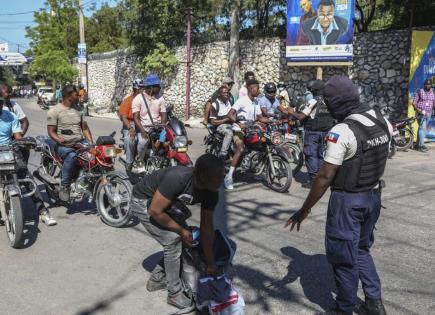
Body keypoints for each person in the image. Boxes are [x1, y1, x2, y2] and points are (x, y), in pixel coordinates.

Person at [285, 76, 391, 315]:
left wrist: (304, 209)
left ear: (337, 103)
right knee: (362, 250)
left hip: (347, 202)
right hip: (373, 197)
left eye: (329, 102)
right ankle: (374, 303)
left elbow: (324, 177)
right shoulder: (381, 119)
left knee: (343, 258)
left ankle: (344, 308)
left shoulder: (342, 131)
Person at [130, 154, 225, 309]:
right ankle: (174, 294)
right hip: (144, 201)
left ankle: (157, 279)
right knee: (172, 241)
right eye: (217, 177)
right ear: (202, 176)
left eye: (223, 175)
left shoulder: (212, 191)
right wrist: (180, 231)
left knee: (190, 240)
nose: (222, 180)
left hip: (167, 205)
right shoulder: (179, 178)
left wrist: (210, 263)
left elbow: (207, 228)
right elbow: (155, 211)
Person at [0, 95, 56, 226]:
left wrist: (26, 143)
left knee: (26, 177)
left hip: (8, 151)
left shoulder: (10, 116)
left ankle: (43, 211)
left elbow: (18, 137)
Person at [47, 85, 94, 202]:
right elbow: (51, 132)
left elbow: (85, 129)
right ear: (68, 96)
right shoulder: (55, 111)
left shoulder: (79, 109)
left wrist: (91, 143)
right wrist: (59, 140)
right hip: (63, 146)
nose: (79, 96)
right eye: (76, 95)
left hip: (79, 143)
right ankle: (65, 186)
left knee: (95, 155)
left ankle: (89, 181)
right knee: (72, 155)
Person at [288, 80, 335, 188]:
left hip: (313, 132)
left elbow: (301, 117)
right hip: (326, 132)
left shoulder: (313, 101)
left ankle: (314, 181)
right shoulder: (329, 101)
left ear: (314, 90)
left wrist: (291, 112)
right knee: (321, 155)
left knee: (311, 155)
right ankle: (322, 178)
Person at [226, 79, 270, 190]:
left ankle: (258, 169)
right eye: (257, 88)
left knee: (264, 142)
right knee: (241, 148)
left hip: (251, 130)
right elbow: (230, 114)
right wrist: (239, 123)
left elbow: (260, 118)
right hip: (239, 130)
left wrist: (274, 120)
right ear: (251, 89)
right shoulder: (242, 100)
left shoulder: (256, 102)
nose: (259, 90)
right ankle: (229, 177)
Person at [132, 74, 167, 165]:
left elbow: (163, 114)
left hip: (158, 127)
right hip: (145, 128)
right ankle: (140, 161)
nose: (159, 88)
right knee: (143, 142)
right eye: (157, 86)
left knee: (172, 140)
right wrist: (142, 131)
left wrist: (163, 128)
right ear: (151, 87)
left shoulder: (160, 98)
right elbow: (135, 117)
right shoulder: (138, 99)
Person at [119, 79, 142, 171]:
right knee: (130, 139)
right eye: (141, 88)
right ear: (135, 89)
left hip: (143, 123)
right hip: (130, 123)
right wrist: (130, 128)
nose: (143, 90)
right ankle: (129, 161)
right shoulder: (128, 101)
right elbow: (123, 117)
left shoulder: (146, 100)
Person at [208, 85, 234, 159]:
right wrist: (225, 120)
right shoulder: (215, 105)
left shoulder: (230, 102)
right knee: (229, 133)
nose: (227, 94)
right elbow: (213, 122)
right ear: (219, 94)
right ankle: (223, 154)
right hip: (219, 126)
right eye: (224, 92)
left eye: (227, 92)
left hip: (231, 124)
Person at [412, 78, 434, 152]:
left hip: (429, 113)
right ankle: (421, 145)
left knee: (421, 129)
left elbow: (433, 102)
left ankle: (417, 145)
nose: (427, 86)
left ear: (431, 85)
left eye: (429, 84)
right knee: (422, 128)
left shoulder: (433, 92)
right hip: (420, 113)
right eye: (426, 84)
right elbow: (414, 103)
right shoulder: (420, 92)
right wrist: (419, 110)